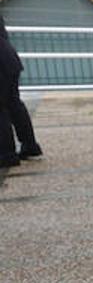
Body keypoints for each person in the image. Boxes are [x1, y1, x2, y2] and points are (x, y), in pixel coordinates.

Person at [0, 15, 42, 168]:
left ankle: (6, 154)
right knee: (14, 104)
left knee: (2, 108)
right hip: (8, 57)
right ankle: (30, 146)